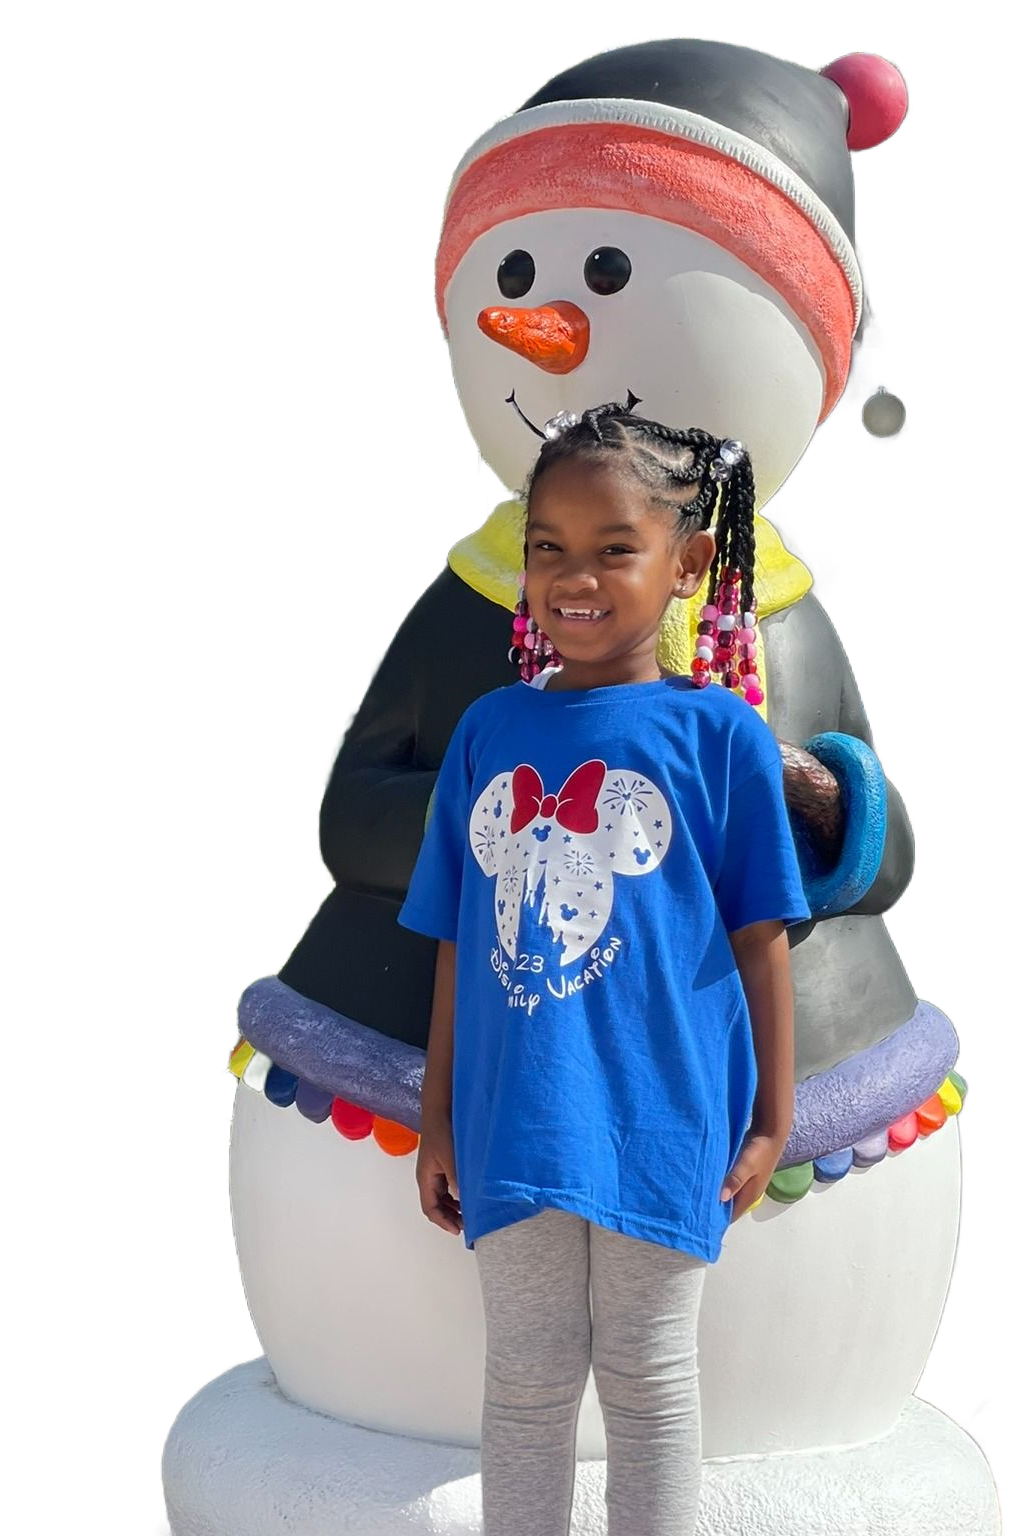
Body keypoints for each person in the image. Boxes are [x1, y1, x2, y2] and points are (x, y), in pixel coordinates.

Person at [396, 400, 810, 1536]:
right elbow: (455, 940)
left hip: (667, 1118)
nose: (575, 577)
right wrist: (439, 1116)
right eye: (550, 547)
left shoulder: (721, 736)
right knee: (525, 1383)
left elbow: (762, 936)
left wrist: (773, 1120)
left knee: (649, 1380)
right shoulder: (487, 732)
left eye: (614, 548)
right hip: (514, 1117)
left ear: (688, 565)